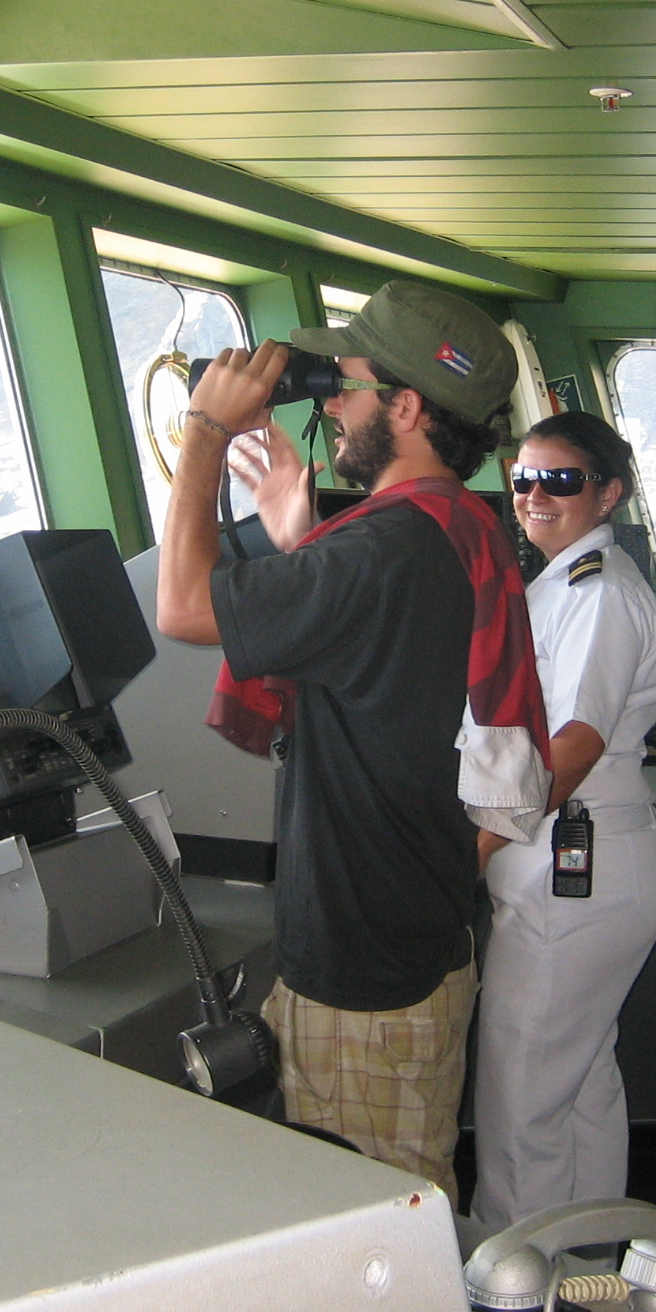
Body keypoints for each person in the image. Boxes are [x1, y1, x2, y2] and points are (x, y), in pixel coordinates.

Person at [155, 279, 550, 1201]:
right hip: (414, 931)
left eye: (349, 384)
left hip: (367, 970)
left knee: (380, 1226)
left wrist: (204, 434)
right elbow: (378, 651)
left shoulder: (380, 550)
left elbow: (181, 606)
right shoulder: (458, 524)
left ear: (406, 408)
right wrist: (298, 536)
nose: (331, 403)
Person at [470, 410, 656, 1231]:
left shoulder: (599, 594)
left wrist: (476, 844)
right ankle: (585, 1264)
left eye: (560, 480)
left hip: (569, 868)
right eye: (523, 478)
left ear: (609, 493)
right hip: (573, 866)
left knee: (523, 1096)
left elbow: (576, 744)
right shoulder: (560, 583)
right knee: (580, 1084)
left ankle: (514, 1275)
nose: (534, 495)